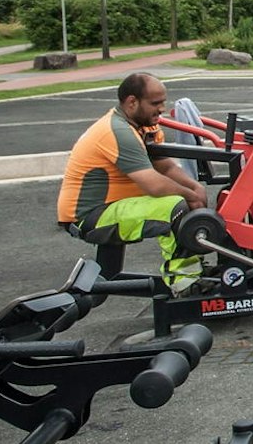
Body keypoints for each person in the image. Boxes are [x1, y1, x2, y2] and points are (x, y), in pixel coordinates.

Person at [58, 72, 211, 294]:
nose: (162, 109)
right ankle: (185, 283)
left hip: (115, 206)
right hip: (90, 216)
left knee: (187, 197)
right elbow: (154, 186)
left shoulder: (144, 126)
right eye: (155, 103)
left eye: (163, 102)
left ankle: (192, 272)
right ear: (132, 102)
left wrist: (195, 187)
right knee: (176, 207)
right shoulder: (117, 131)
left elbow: (165, 166)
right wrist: (191, 196)